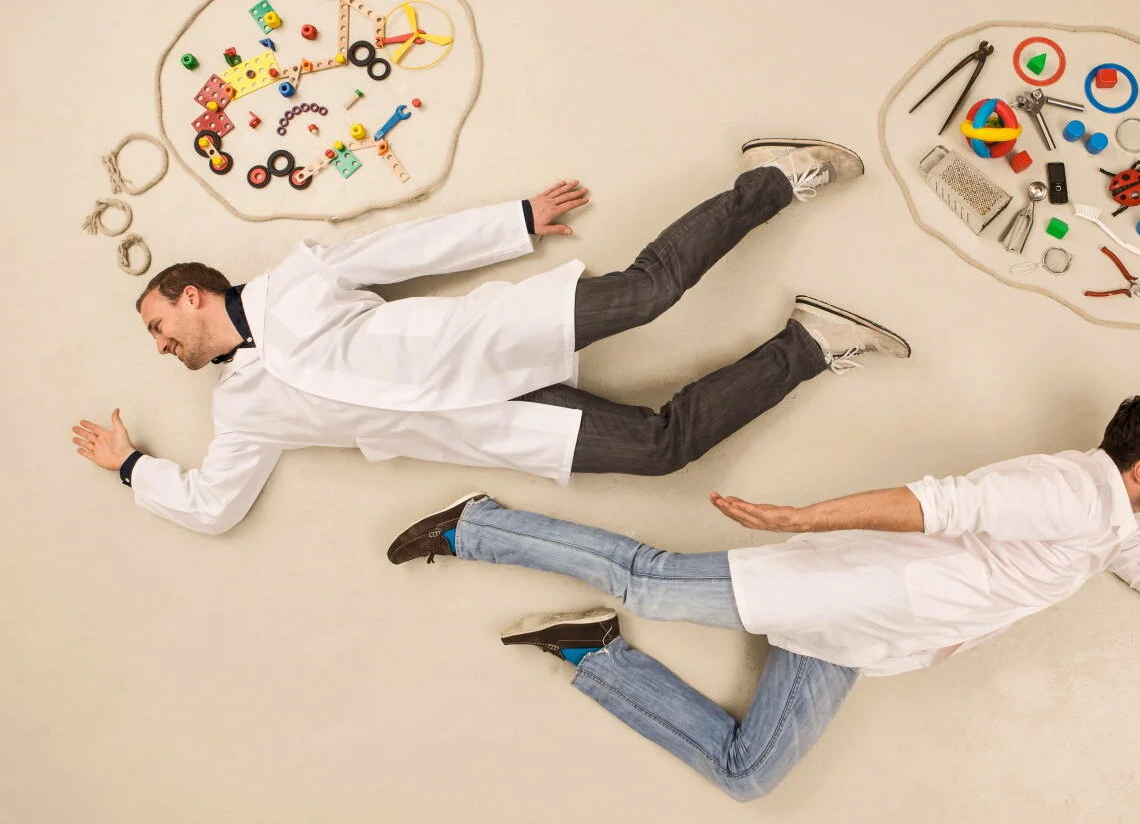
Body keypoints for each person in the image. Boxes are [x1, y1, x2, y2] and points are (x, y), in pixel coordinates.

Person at [386, 394, 1140, 801]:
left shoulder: (1113, 525)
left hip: (863, 637)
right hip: (844, 588)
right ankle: (478, 524)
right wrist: (799, 521)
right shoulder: (1065, 489)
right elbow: (936, 503)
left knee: (751, 773)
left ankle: (594, 652)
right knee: (648, 577)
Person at [69, 140, 911, 535]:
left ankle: (773, 178)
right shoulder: (242, 411)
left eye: (157, 325)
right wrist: (133, 467)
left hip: (488, 340)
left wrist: (515, 222)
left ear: (190, 294)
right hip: (491, 424)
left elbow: (401, 251)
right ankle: (807, 344)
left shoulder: (294, 280)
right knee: (661, 449)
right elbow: (214, 506)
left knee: (650, 293)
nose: (160, 345)